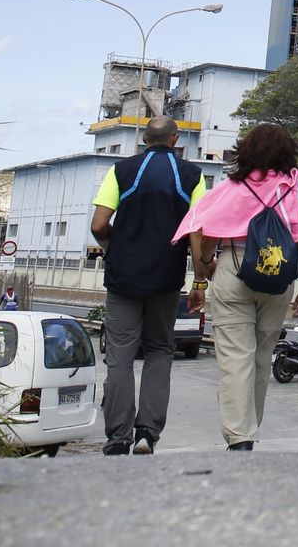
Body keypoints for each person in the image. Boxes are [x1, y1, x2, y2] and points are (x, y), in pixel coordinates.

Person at [173, 122, 298, 451]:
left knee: (236, 358)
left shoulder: (230, 188)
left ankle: (241, 438)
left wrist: (202, 271)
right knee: (262, 359)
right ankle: (249, 428)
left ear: (246, 151)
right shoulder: (297, 189)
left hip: (234, 268)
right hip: (279, 276)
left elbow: (203, 232)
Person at [90, 116, 205, 456]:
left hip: (123, 278)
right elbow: (197, 232)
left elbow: (99, 225)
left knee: (120, 357)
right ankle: (147, 434)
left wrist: (116, 247)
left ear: (143, 139)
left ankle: (117, 437)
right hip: (165, 280)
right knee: (158, 352)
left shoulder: (121, 171)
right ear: (175, 138)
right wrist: (199, 281)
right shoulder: (192, 176)